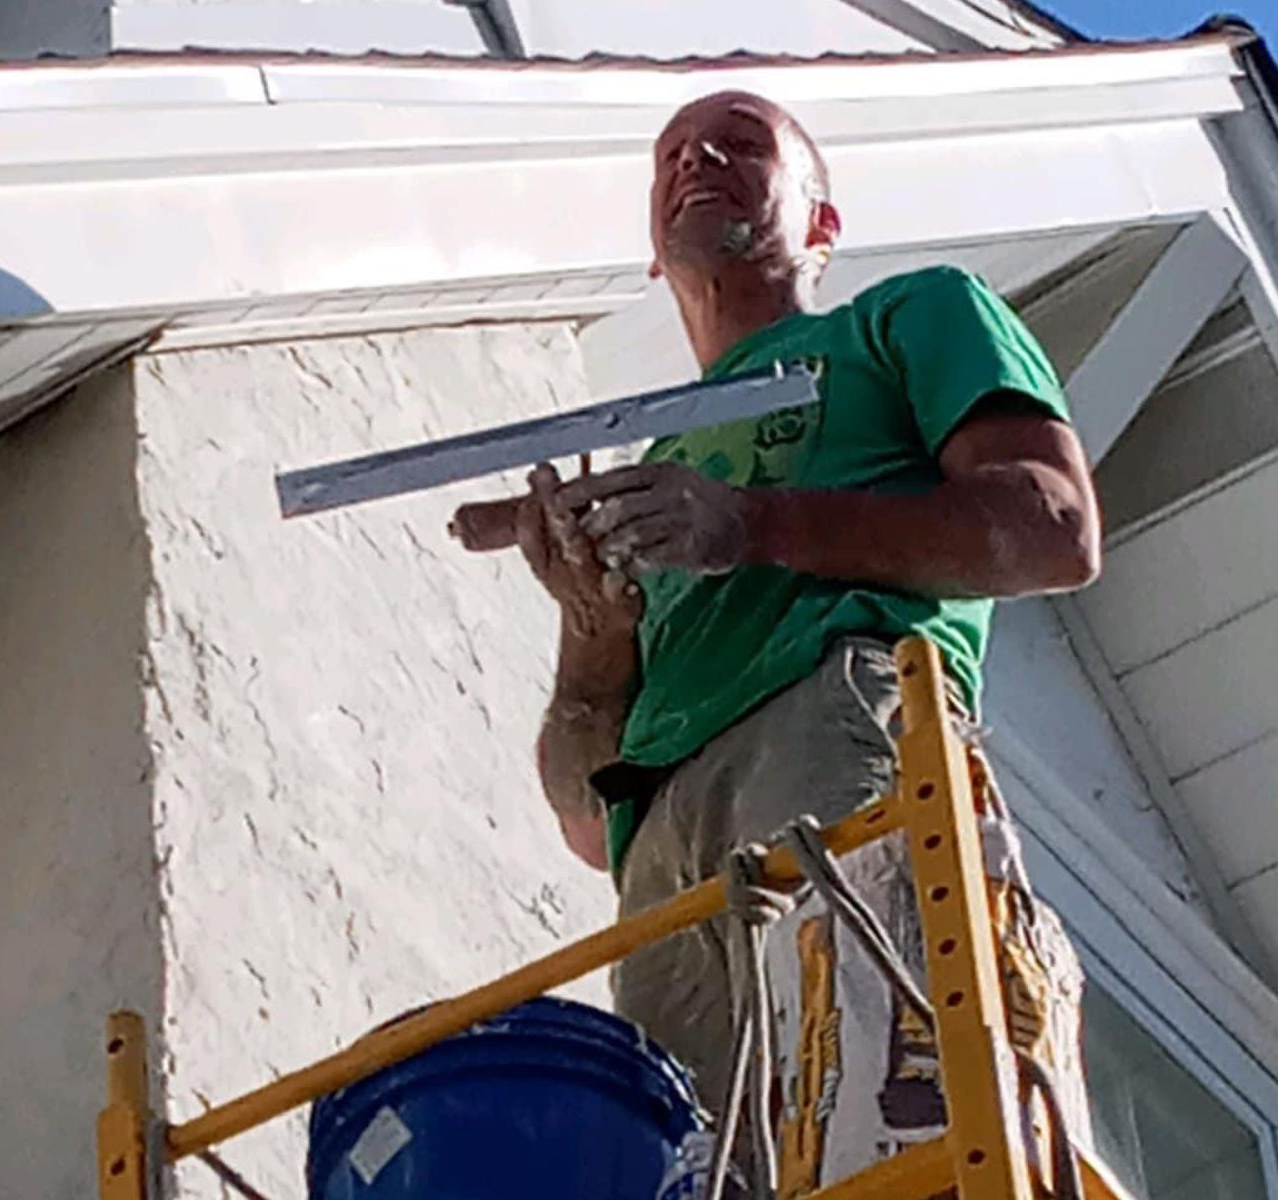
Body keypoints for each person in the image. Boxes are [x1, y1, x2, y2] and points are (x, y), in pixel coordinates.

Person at [499, 91, 1100, 1189]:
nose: (699, 158)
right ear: (650, 254)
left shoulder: (904, 319)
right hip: (664, 845)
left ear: (822, 223)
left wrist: (754, 525)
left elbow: (1053, 528)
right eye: (673, 152)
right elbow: (590, 818)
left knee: (892, 1131)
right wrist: (593, 637)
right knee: (715, 1170)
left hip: (835, 723)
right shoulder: (653, 456)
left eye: (742, 143)